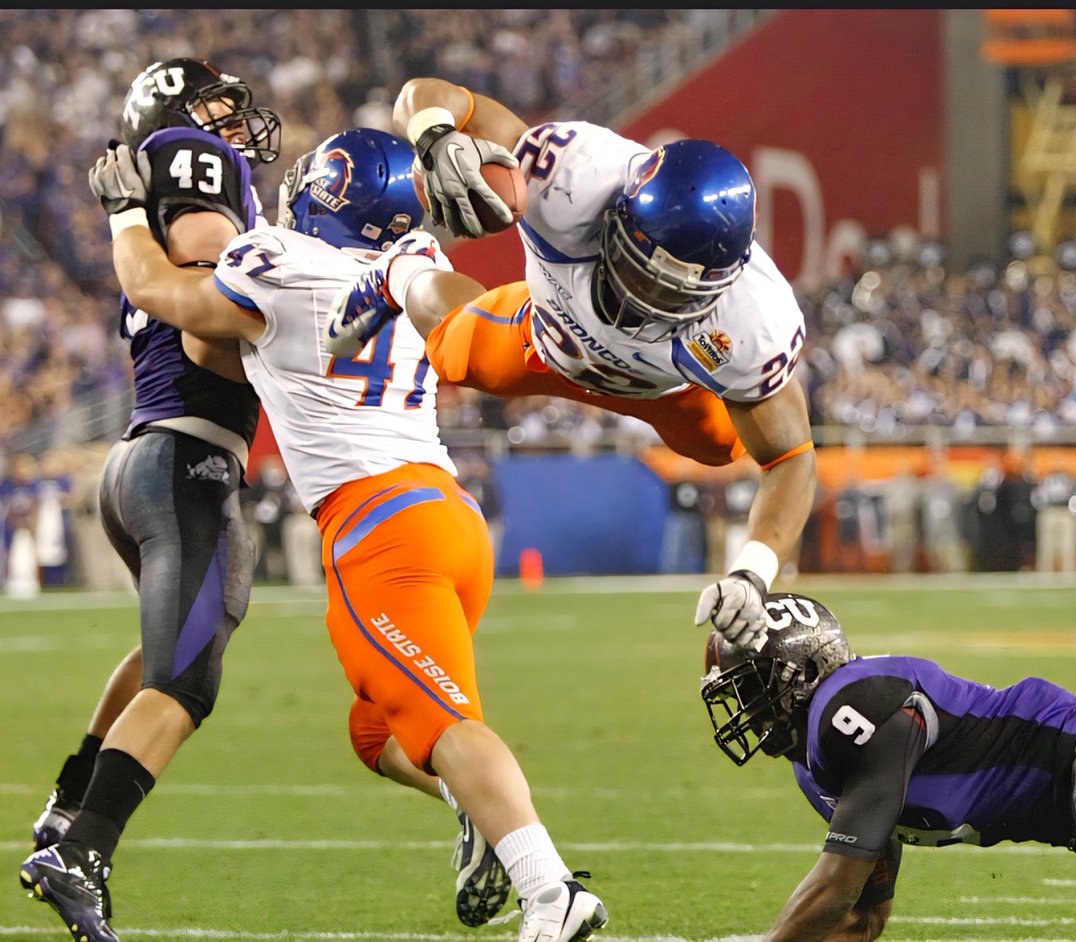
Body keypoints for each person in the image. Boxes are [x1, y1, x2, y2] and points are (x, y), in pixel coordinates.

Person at [80, 127, 607, 942]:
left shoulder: (280, 267)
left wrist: (123, 215)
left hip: (381, 528)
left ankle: (551, 891)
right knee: (377, 732)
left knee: (446, 728)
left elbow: (163, 295)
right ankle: (478, 815)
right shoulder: (410, 262)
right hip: (449, 518)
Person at [326, 76, 818, 651]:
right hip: (549, 336)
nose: (646, 301)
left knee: (723, 446)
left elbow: (791, 459)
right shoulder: (569, 174)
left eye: (673, 295)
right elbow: (428, 93)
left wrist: (752, 572)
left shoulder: (754, 321)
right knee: (455, 355)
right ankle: (401, 272)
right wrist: (435, 136)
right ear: (620, 219)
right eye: (639, 270)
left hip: (664, 391)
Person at [20, 58, 281, 942]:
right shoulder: (200, 196)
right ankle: (84, 850)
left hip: (141, 465)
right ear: (177, 118)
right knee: (188, 680)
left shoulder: (157, 219)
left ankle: (65, 805)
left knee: (161, 653)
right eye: (217, 108)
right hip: (187, 467)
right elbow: (215, 322)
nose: (234, 125)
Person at [700, 592, 1076, 941]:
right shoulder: (817, 763)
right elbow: (861, 917)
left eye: (750, 687)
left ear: (803, 671)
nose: (746, 707)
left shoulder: (854, 703)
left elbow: (835, 887)